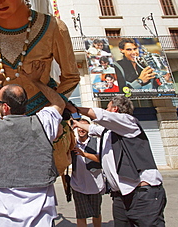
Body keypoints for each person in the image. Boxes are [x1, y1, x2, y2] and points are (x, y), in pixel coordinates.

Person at [0, 60, 66, 226]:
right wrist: (35, 81)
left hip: (6, 219)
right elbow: (59, 103)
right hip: (42, 217)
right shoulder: (43, 122)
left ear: (5, 108)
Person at [66, 96, 167, 226]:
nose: (105, 110)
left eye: (107, 108)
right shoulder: (109, 132)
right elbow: (94, 129)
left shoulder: (129, 122)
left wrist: (75, 108)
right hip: (120, 196)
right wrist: (77, 123)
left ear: (115, 109)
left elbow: (102, 116)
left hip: (142, 194)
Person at [70, 119, 104, 227]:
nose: (81, 129)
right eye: (79, 127)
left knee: (96, 214)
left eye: (84, 127)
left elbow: (101, 159)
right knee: (81, 215)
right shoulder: (72, 143)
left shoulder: (97, 141)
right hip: (78, 185)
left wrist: (84, 154)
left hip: (95, 185)